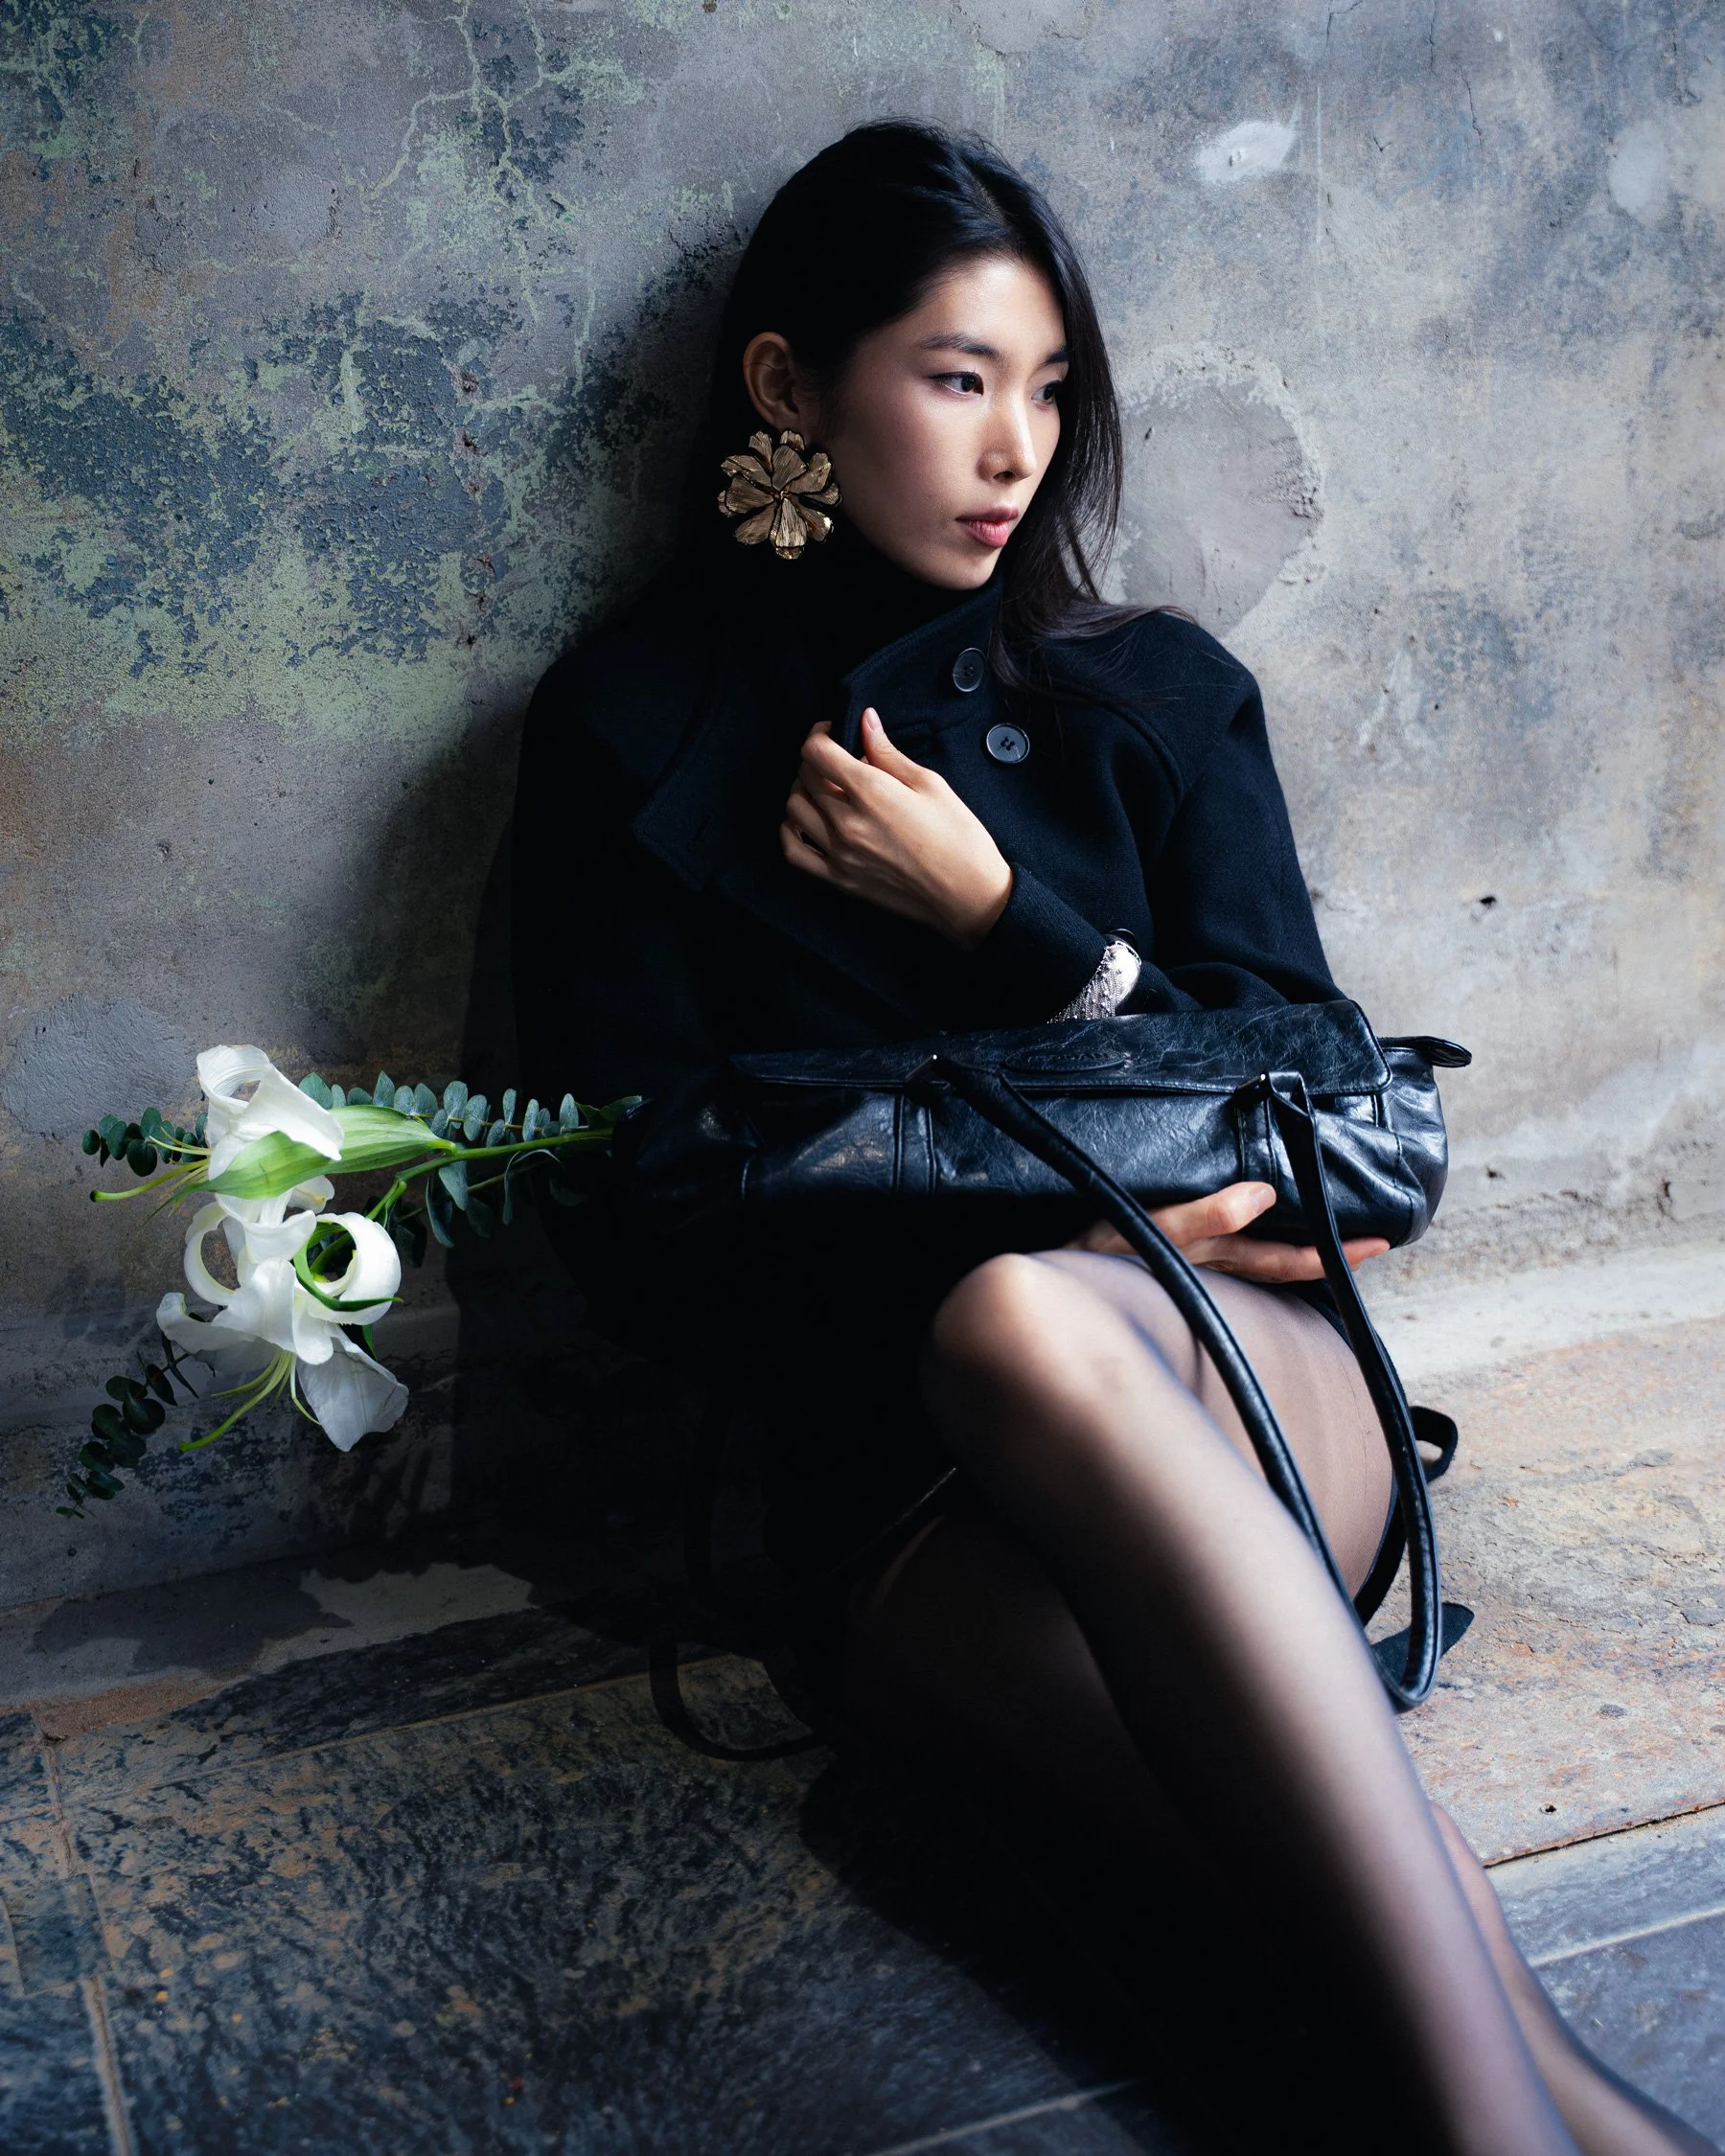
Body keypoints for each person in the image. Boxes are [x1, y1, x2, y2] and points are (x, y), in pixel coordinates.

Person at [512, 122, 1715, 2156]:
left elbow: (1327, 1126)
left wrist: (1010, 927)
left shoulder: (1156, 694)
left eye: (1051, 388)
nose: (1018, 450)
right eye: (957, 377)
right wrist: (1100, 1209)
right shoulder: (637, 730)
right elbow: (631, 1219)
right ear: (790, 385)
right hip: (899, 1510)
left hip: (1256, 1403)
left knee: (1033, 1322)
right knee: (1306, 1859)